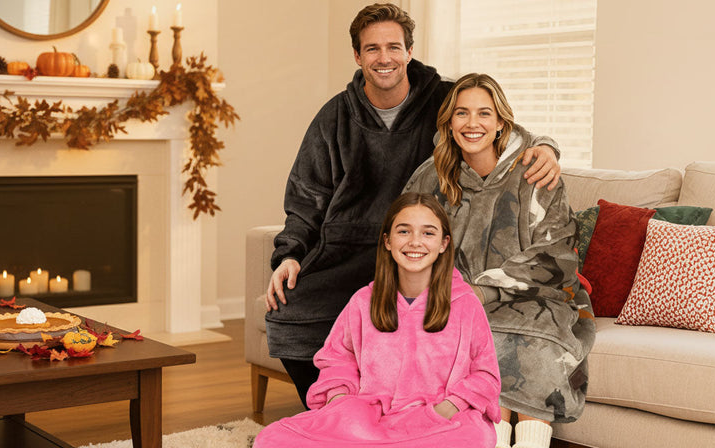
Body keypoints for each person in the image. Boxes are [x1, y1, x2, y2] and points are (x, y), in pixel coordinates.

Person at [264, 2, 562, 408]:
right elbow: (305, 199)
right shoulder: (335, 116)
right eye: (372, 49)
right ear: (357, 55)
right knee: (289, 310)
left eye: (393, 47)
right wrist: (290, 254)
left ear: (409, 51)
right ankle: (338, 409)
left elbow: (493, 125)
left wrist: (545, 144)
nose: (384, 58)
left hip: (415, 245)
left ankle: (391, 407)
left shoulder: (441, 97)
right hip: (345, 247)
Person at [403, 73, 596, 448]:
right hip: (458, 301)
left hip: (539, 299)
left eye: (484, 114)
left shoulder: (535, 171)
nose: (472, 124)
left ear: (501, 122)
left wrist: (484, 291)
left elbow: (555, 255)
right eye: (462, 113)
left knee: (532, 350)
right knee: (474, 354)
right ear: (449, 122)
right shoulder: (430, 177)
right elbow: (407, 241)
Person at [254, 192, 502, 448]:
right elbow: (338, 359)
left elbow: (485, 375)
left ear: (443, 243)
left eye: (428, 233)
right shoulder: (363, 301)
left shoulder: (465, 303)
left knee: (474, 437)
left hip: (435, 420)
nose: (415, 242)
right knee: (272, 439)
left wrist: (446, 409)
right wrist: (340, 402)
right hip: (367, 419)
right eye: (404, 231)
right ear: (387, 241)